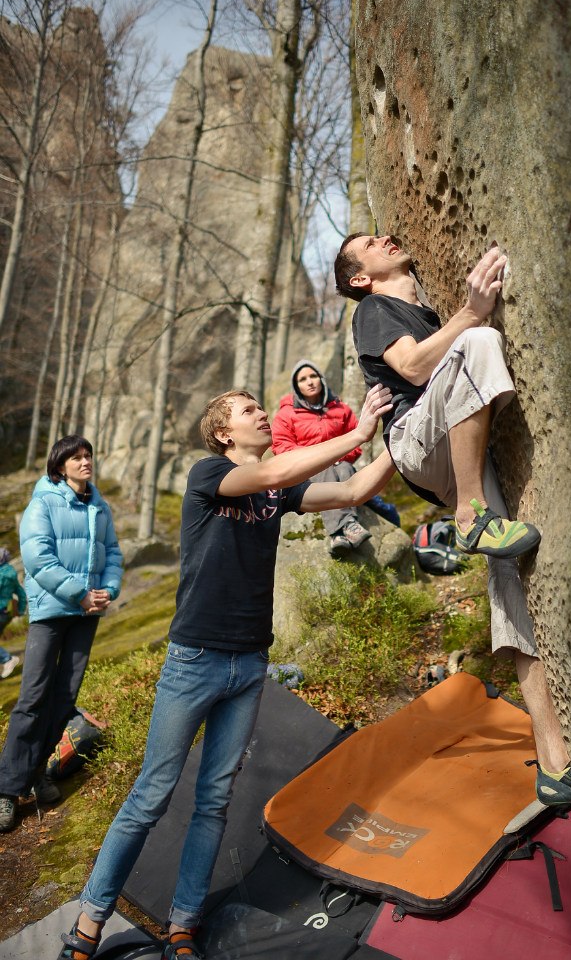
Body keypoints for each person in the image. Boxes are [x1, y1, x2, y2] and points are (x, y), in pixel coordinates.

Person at [57, 384, 395, 960]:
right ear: (223, 433)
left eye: (261, 408)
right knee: (152, 794)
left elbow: (358, 488)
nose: (263, 413)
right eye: (248, 411)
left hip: (249, 664)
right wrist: (354, 434)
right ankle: (89, 921)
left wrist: (407, 430)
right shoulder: (207, 474)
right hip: (195, 660)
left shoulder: (279, 489)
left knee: (214, 799)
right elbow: (267, 477)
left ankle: (183, 924)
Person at [334, 233, 571, 809]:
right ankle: (471, 514)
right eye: (370, 243)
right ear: (360, 278)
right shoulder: (373, 310)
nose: (385, 237)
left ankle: (553, 764)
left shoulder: (422, 308)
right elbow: (415, 367)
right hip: (417, 436)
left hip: (450, 439)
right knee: (481, 341)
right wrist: (472, 309)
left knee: (509, 581)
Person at [0, 436, 123, 835]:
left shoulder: (99, 505)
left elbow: (113, 552)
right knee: (33, 695)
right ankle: (5, 790)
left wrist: (109, 589)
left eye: (88, 455)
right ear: (60, 465)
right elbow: (37, 557)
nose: (85, 462)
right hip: (53, 611)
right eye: (77, 457)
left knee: (65, 697)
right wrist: (79, 593)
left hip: (86, 614)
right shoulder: (43, 502)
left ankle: (35, 772)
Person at [271, 359, 372, 556]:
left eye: (313, 376)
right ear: (296, 386)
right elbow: (281, 446)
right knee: (324, 468)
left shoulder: (341, 408)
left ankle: (340, 537)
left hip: (338, 465)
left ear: (321, 379)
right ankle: (346, 526)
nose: (309, 382)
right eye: (303, 379)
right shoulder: (286, 413)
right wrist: (315, 457)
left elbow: (356, 439)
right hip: (305, 470)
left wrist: (336, 456)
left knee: (344, 468)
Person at [0, 547, 26, 679]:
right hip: (7, 613)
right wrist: (20, 610)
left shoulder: (1, 575)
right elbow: (21, 593)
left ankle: (7, 659)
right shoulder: (11, 573)